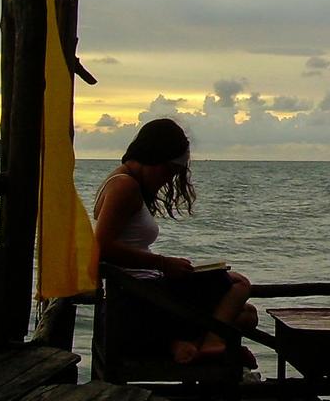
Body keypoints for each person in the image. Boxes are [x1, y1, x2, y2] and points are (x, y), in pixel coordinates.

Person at [93, 118, 258, 367]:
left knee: (247, 314)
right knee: (239, 287)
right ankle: (210, 343)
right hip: (139, 299)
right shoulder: (124, 186)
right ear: (154, 156)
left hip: (141, 294)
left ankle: (188, 344)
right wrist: (163, 263)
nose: (167, 179)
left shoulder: (121, 181)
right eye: (167, 170)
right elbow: (101, 247)